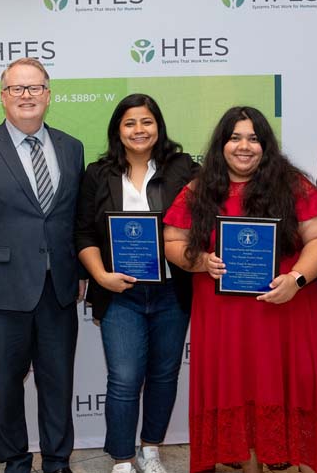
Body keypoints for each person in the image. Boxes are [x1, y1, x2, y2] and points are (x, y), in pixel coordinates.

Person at [162, 106, 317, 473]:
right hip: (225, 319)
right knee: (236, 390)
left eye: (253, 139)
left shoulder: (293, 185)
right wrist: (200, 261)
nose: (244, 146)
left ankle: (295, 459)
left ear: (266, 145)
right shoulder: (199, 189)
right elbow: (172, 240)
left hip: (286, 310)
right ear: (221, 144)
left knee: (292, 388)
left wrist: (297, 279)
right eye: (235, 138)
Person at [0, 57, 85, 473]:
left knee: (58, 383)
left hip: (58, 289)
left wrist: (80, 272)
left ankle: (57, 461)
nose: (26, 96)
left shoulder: (71, 147)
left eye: (35, 88)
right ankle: (16, 461)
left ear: (48, 94)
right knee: (4, 386)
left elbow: (76, 219)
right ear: (3, 97)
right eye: (16, 89)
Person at [74, 94, 199, 473]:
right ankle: (123, 458)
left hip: (171, 291)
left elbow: (207, 218)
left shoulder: (183, 169)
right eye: (130, 123)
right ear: (118, 130)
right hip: (119, 292)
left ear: (158, 126)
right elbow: (83, 233)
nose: (139, 130)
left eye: (146, 121)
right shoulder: (98, 174)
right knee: (125, 378)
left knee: (163, 375)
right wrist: (100, 276)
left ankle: (151, 448)